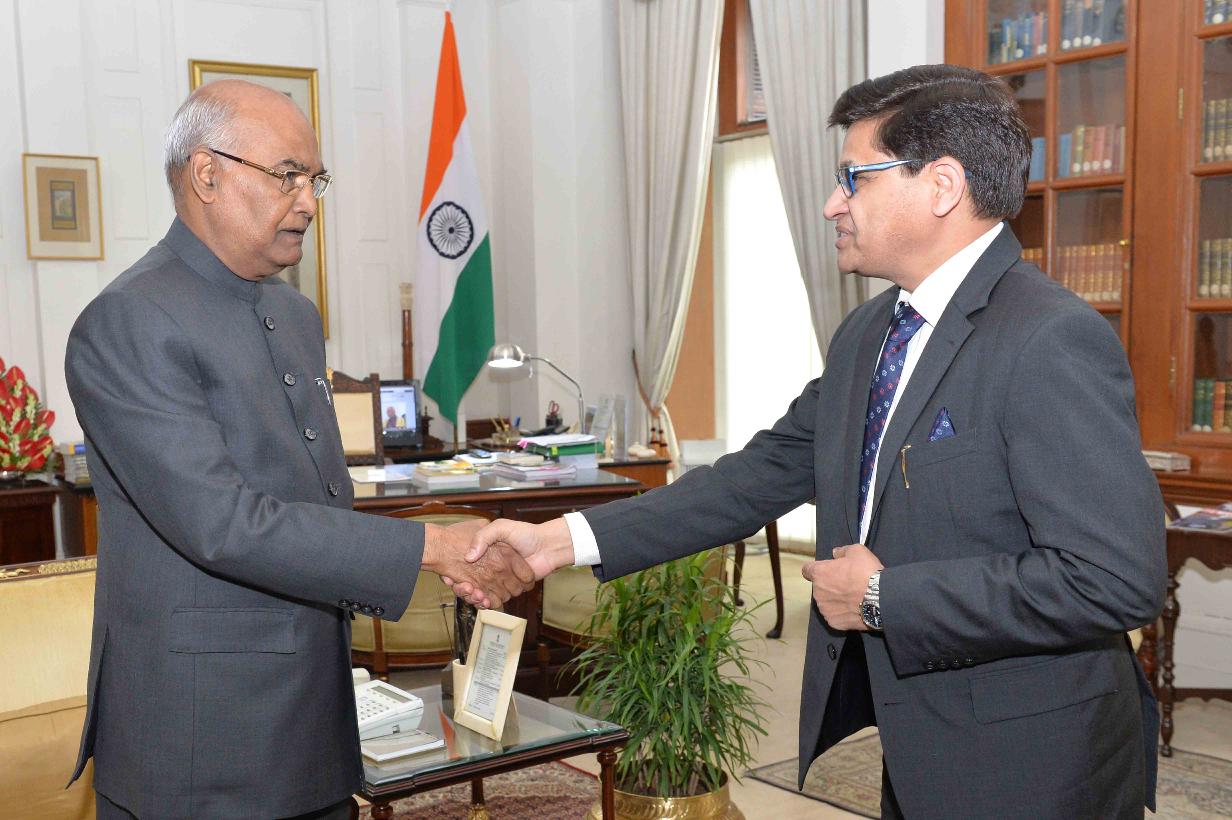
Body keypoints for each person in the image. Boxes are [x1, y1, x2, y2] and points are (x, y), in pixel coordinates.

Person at [461, 65, 1166, 818]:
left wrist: (885, 597)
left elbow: (1113, 578)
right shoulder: (870, 333)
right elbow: (755, 477)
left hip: (1038, 766)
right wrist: (556, 542)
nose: (833, 203)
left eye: (853, 178)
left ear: (942, 185)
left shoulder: (1049, 338)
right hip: (919, 747)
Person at [64, 80, 532, 820]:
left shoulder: (295, 313)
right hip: (200, 739)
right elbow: (223, 524)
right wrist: (433, 548)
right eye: (287, 175)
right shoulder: (128, 320)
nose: (309, 201)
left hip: (313, 717)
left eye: (315, 179)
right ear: (207, 175)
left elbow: (316, 499)